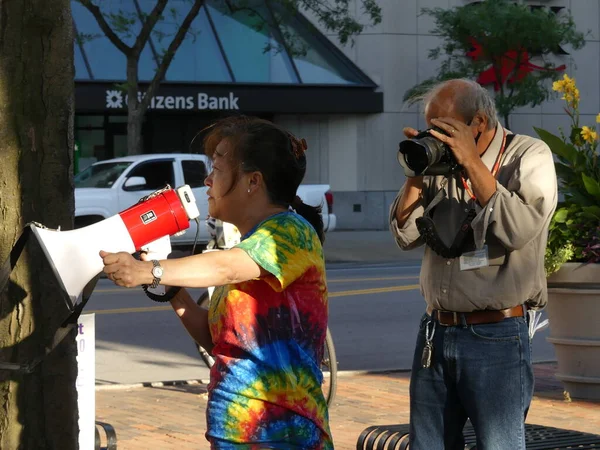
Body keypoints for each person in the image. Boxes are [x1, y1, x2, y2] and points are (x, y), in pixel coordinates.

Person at [100, 116, 333, 449]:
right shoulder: (247, 247)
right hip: (235, 432)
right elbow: (217, 342)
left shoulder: (290, 233)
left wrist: (151, 270)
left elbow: (226, 267)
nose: (207, 181)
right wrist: (170, 289)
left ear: (253, 182)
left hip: (282, 433)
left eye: (217, 170)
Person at [389, 78, 558, 450]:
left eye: (444, 129)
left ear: (478, 122)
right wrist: (417, 168)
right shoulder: (439, 163)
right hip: (436, 330)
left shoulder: (529, 156)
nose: (436, 136)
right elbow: (404, 235)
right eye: (430, 127)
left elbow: (517, 228)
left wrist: (470, 161)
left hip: (495, 334)